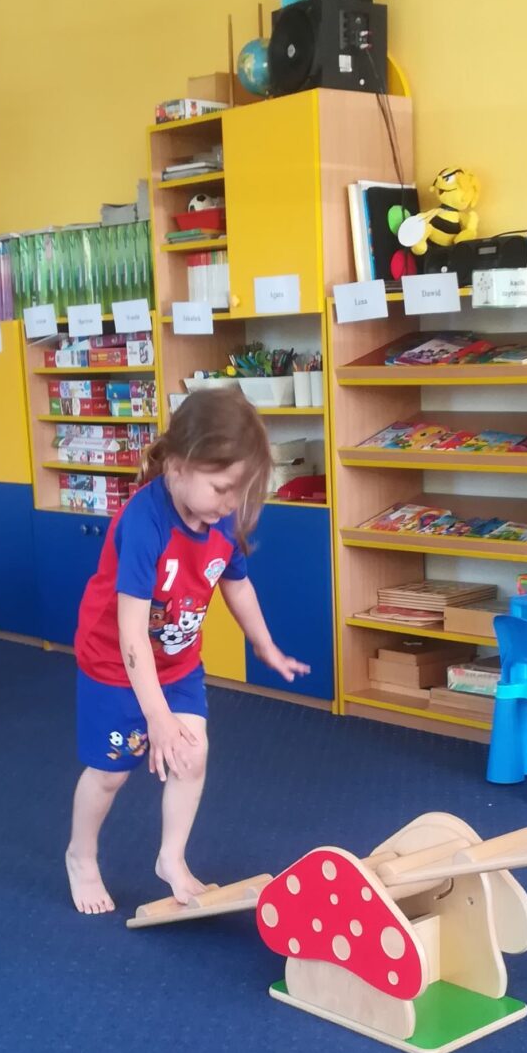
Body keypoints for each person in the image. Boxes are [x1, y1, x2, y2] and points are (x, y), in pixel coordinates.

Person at [66, 391, 308, 916]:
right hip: (115, 663)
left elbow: (237, 585)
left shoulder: (222, 519)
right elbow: (131, 634)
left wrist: (265, 645)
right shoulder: (143, 523)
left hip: (177, 663)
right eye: (221, 488)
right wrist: (156, 716)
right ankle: (81, 856)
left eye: (240, 491)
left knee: (192, 755)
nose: (231, 503)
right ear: (176, 466)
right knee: (111, 773)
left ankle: (171, 858)